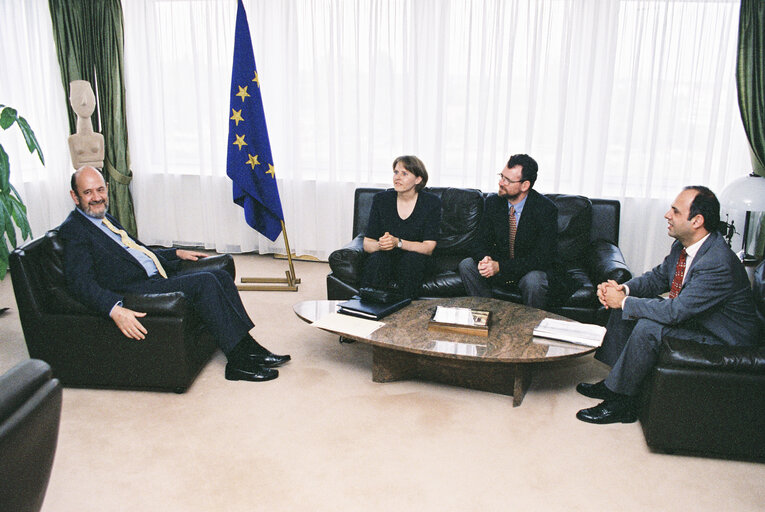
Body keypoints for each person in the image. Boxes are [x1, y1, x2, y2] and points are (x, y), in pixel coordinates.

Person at [58, 166, 290, 382]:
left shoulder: (103, 218)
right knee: (206, 282)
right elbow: (80, 283)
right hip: (133, 288)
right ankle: (238, 363)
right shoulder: (74, 230)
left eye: (100, 189)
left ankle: (249, 348)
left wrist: (174, 253)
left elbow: (137, 250)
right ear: (75, 196)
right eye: (88, 192)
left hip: (151, 276)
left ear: (106, 188)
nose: (97, 197)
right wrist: (114, 309)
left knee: (219, 275)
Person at [576, 186, 759, 424]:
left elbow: (676, 312)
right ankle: (614, 385)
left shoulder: (717, 262)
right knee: (628, 310)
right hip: (698, 319)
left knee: (647, 326)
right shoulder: (684, 246)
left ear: (697, 221)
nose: (667, 215)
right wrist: (624, 290)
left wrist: (623, 302)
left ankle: (622, 403)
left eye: (675, 211)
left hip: (725, 339)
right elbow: (659, 278)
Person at [458, 154, 560, 309]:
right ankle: (486, 314)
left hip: (528, 270)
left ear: (525, 185)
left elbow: (542, 258)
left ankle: (529, 326)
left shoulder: (546, 209)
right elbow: (478, 241)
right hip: (499, 269)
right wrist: (485, 259)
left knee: (534, 280)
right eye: (501, 176)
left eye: (507, 180)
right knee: (467, 265)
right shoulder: (493, 202)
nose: (500, 183)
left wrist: (500, 266)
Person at [361, 155, 441, 299]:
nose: (397, 177)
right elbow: (367, 243)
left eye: (404, 174)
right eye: (396, 172)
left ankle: (404, 312)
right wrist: (382, 244)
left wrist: (398, 242)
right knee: (377, 260)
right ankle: (369, 310)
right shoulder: (381, 200)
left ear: (418, 179)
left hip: (416, 259)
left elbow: (428, 248)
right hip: (387, 257)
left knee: (411, 261)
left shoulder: (431, 202)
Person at [67, 80, 105, 170]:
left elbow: (101, 162)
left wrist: (83, 161)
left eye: (89, 97)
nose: (84, 102)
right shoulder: (72, 139)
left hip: (99, 174)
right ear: (71, 102)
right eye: (78, 98)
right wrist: (95, 161)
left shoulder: (99, 137)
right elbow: (76, 165)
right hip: (81, 176)